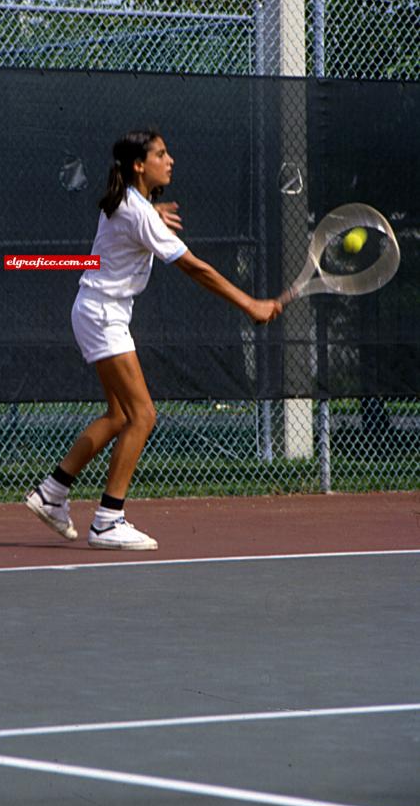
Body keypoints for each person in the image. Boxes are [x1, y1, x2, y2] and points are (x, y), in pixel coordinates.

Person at [25, 129, 281, 550]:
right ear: (139, 165)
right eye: (162, 154)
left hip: (97, 310)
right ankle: (108, 520)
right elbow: (196, 268)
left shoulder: (130, 203)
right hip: (103, 314)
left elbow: (131, 223)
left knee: (119, 416)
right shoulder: (137, 211)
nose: (171, 159)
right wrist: (251, 304)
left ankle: (52, 493)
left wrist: (152, 213)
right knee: (143, 415)